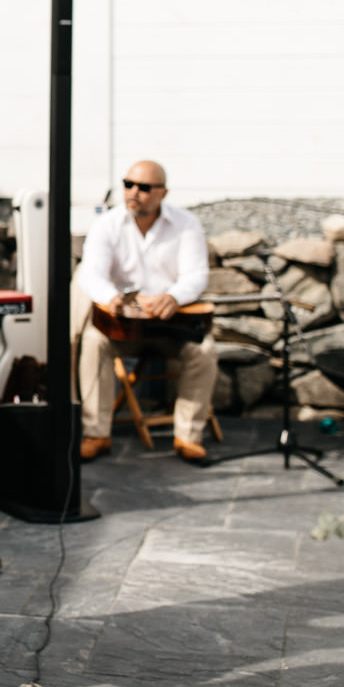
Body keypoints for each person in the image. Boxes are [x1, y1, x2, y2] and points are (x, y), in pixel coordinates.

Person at [73, 160, 215, 463]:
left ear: (162, 193)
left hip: (170, 323)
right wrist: (112, 298)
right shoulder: (106, 224)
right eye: (128, 184)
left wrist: (173, 297)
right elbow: (91, 274)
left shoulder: (186, 223)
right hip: (123, 326)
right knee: (93, 342)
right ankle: (96, 433)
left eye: (144, 187)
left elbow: (197, 274)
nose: (134, 192)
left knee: (204, 350)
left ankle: (187, 437)